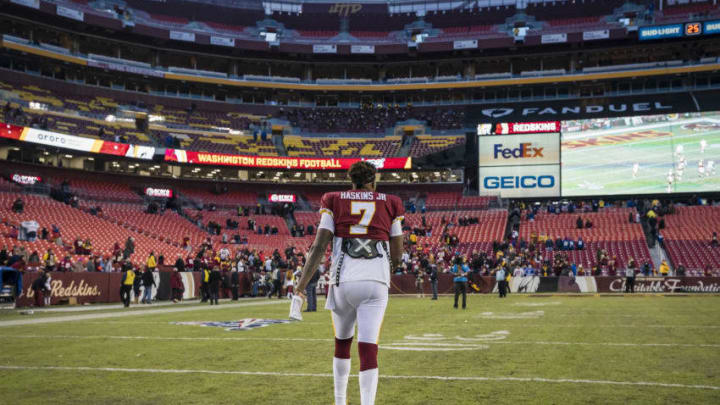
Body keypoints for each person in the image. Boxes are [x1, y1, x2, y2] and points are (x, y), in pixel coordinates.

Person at [293, 161, 404, 405]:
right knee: (368, 348)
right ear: (373, 179)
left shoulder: (333, 199)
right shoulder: (391, 202)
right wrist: (389, 266)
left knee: (342, 344)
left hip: (343, 278)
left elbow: (319, 246)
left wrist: (300, 288)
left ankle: (340, 401)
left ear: (350, 179)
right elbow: (397, 255)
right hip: (375, 279)